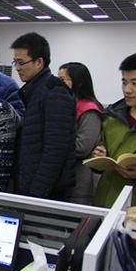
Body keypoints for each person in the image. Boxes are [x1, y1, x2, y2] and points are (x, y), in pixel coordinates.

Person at [11, 32, 76, 200]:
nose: (17, 68)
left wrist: (37, 193)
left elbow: (55, 150)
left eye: (21, 62)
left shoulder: (55, 92)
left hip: (45, 192)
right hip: (30, 184)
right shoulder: (35, 91)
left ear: (39, 62)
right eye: (15, 62)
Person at [93, 52, 136, 207]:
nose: (127, 89)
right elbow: (101, 158)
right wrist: (100, 156)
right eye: (124, 82)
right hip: (106, 203)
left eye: (135, 83)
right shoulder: (111, 117)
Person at [58, 62, 103, 205]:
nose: (57, 84)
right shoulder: (66, 105)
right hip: (64, 178)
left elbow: (82, 147)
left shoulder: (89, 111)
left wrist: (53, 144)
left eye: (62, 80)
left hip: (80, 184)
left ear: (79, 82)